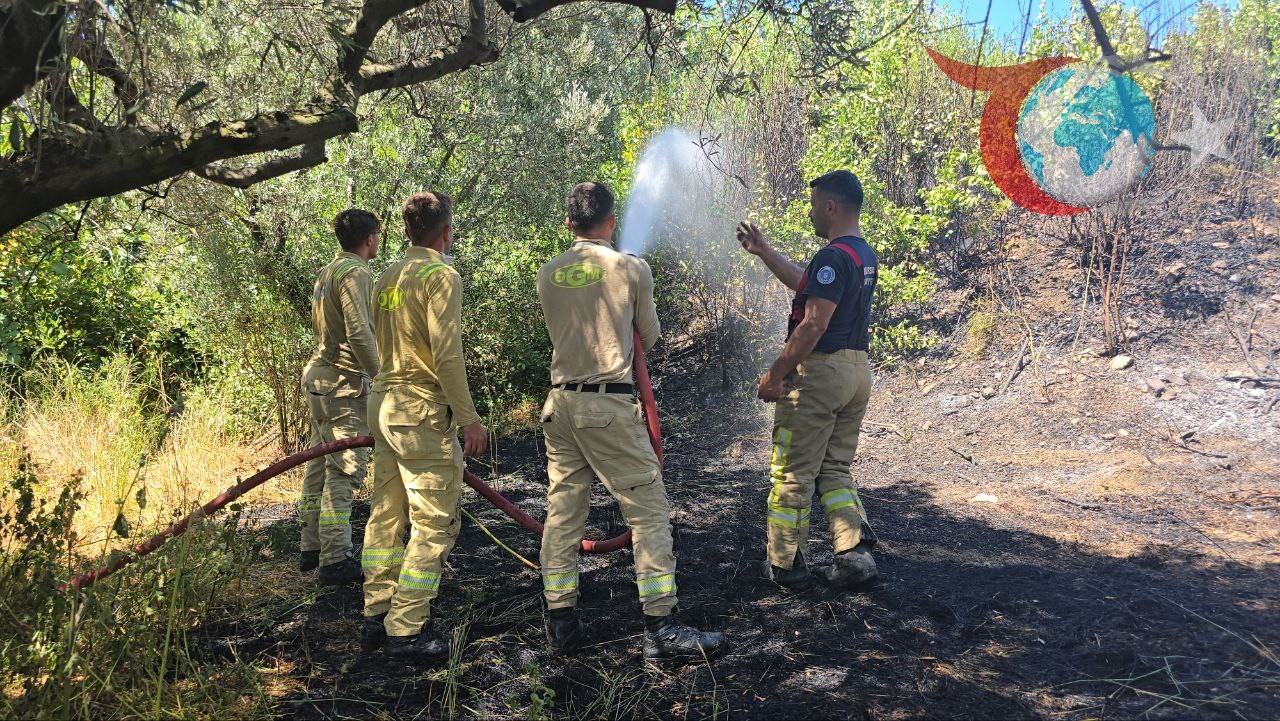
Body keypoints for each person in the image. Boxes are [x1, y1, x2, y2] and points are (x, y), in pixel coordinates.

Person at [535, 181, 725, 660]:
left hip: (560, 406)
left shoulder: (548, 273)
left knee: (563, 514)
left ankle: (561, 621)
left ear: (568, 223)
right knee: (648, 512)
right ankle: (661, 627)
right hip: (607, 407)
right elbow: (650, 336)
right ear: (612, 220)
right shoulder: (631, 268)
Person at [736, 170, 880, 591]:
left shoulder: (832, 257)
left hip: (820, 375)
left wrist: (775, 375)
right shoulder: (861, 254)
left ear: (831, 207)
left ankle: (784, 566)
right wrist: (765, 252)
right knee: (834, 468)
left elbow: (814, 324)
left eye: (815, 205)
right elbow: (809, 284)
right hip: (856, 372)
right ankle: (854, 555)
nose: (811, 212)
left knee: (792, 472)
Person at [360, 191, 488, 660]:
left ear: (407, 230)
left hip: (384, 404)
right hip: (419, 410)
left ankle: (376, 610)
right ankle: (406, 628)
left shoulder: (387, 275)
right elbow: (447, 356)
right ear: (446, 232)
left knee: (386, 513)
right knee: (434, 521)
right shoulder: (441, 276)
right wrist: (469, 419)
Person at [298, 209, 381, 585]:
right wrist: (382, 377)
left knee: (317, 466)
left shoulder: (328, 270)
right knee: (343, 471)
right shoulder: (356, 272)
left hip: (318, 379)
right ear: (370, 239)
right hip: (343, 385)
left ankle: (310, 545)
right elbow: (359, 332)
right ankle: (335, 558)